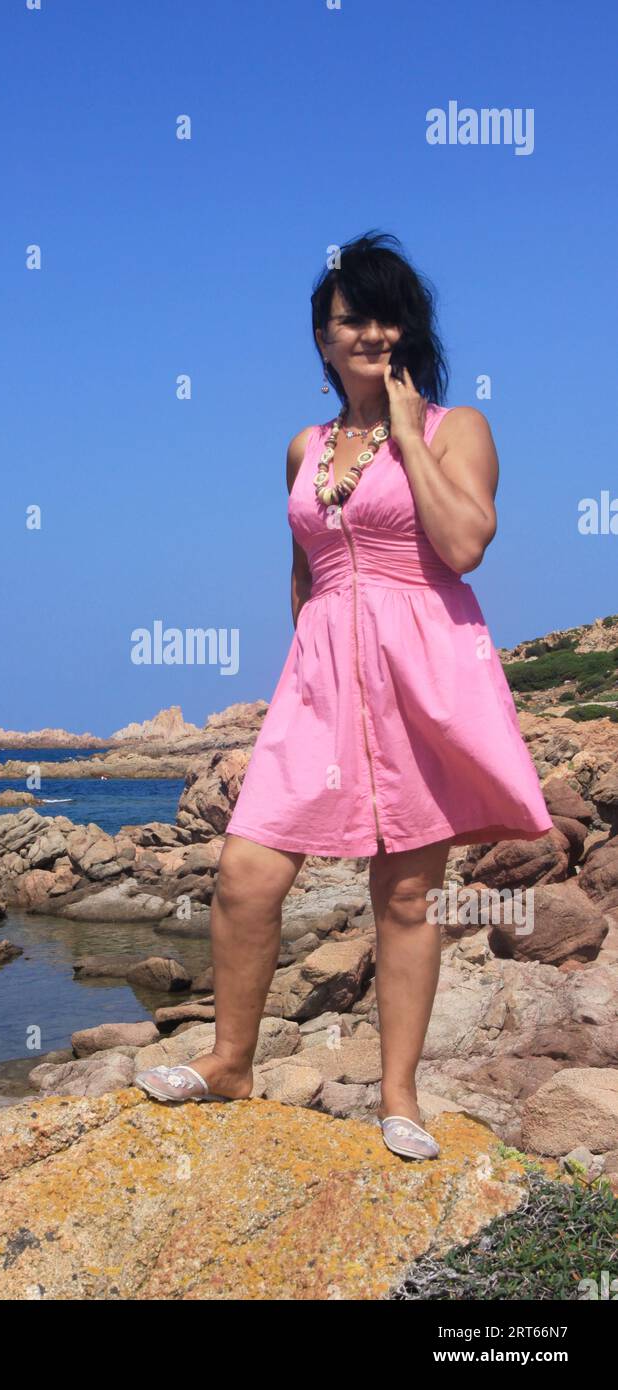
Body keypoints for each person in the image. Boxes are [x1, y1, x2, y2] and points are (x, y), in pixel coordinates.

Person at [135, 231, 553, 1159]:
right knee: (247, 871)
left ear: (408, 330)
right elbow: (305, 574)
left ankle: (399, 1094)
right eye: (347, 319)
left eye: (383, 315)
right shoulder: (302, 447)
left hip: (425, 673)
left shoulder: (460, 427)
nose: (368, 332)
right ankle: (230, 1060)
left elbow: (464, 546)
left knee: (407, 895)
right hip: (322, 679)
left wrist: (407, 434)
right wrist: (312, 677)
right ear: (321, 340)